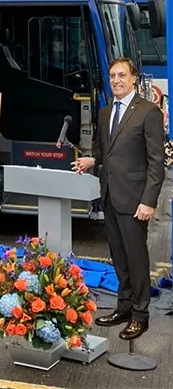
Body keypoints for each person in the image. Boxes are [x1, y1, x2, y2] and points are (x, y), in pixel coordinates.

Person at [72, 57, 164, 340]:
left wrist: (148, 201)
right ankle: (123, 308)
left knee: (136, 259)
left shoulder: (148, 112)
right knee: (119, 258)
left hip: (135, 200)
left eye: (122, 75)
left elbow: (156, 162)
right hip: (110, 197)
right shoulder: (105, 112)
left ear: (134, 78)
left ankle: (140, 315)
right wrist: (91, 160)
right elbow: (105, 152)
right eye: (112, 76)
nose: (116, 80)